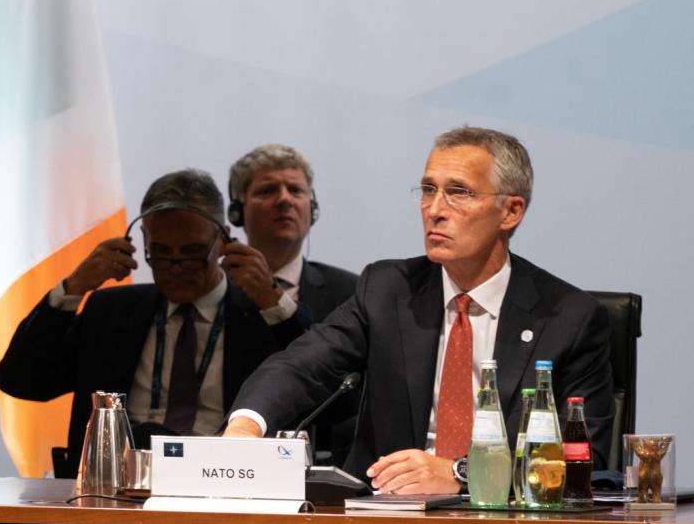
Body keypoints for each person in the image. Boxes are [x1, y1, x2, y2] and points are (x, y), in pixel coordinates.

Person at [225, 127, 614, 495]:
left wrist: (460, 472)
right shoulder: (388, 289)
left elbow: (580, 459)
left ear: (510, 212)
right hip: (382, 513)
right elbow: (302, 365)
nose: (434, 210)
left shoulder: (569, 318)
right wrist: (246, 426)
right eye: (428, 190)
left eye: (458, 192)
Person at [0, 169, 308, 474]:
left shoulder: (262, 317)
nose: (175, 267)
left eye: (192, 252)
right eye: (160, 252)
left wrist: (274, 303)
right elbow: (21, 380)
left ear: (223, 243)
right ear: (141, 241)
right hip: (115, 487)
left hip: (227, 483)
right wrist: (71, 289)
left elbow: (330, 395)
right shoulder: (110, 312)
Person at [223, 143, 357, 322]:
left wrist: (271, 296)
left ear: (312, 209)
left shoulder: (353, 293)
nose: (285, 200)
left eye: (295, 190)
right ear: (237, 212)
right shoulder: (212, 287)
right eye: (267, 190)